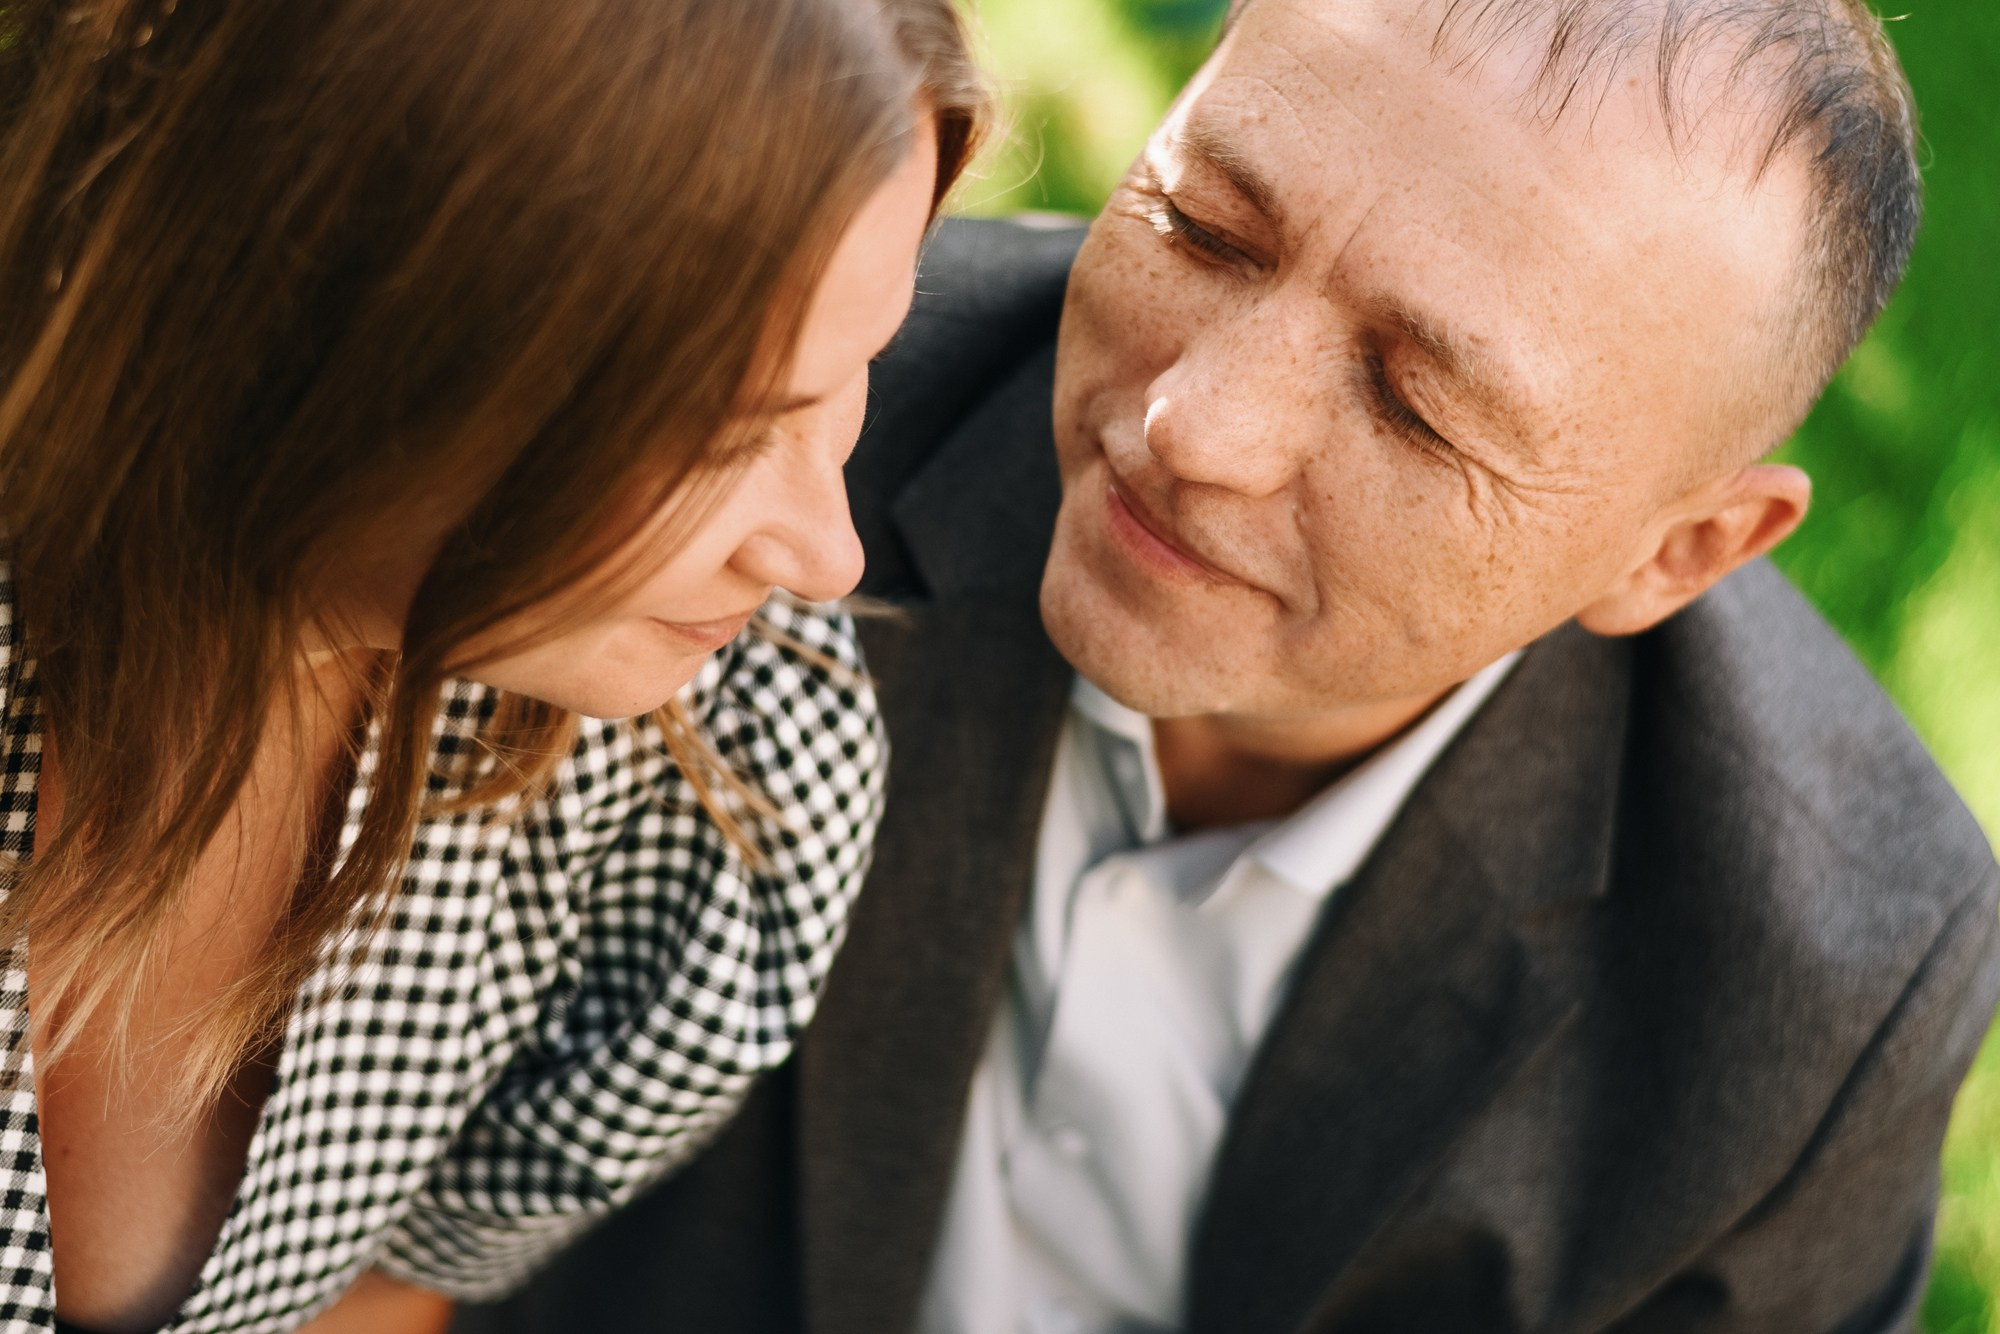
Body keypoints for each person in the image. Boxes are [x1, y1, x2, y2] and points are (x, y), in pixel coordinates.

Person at [472, 0, 2000, 1331]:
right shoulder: (765, 438)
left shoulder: (1828, 982)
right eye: (1205, 230)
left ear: (1679, 551)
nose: (1197, 427)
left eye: (1412, 403)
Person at [0, 0, 984, 1331]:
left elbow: (380, 1303)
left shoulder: (707, 785)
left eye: (853, 375)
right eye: (724, 432)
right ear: (338, 323)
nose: (827, 551)